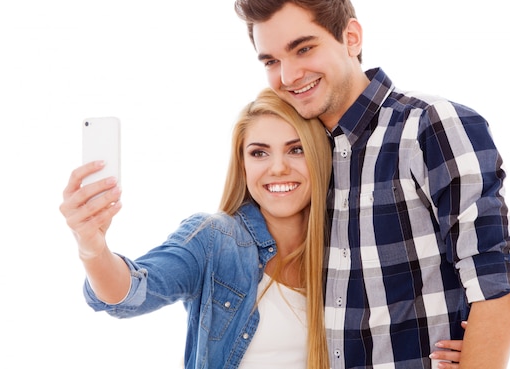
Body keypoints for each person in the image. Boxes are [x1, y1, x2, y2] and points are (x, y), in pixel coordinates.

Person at [234, 0, 510, 369]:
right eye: (271, 60)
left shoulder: (431, 125)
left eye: (304, 49)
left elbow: (495, 285)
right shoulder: (304, 156)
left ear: (351, 37)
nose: (288, 76)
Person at [59, 88, 334, 368]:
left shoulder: (345, 247)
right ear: (243, 165)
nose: (277, 168)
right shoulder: (215, 240)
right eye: (259, 153)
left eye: (296, 149)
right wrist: (92, 250)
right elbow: (133, 292)